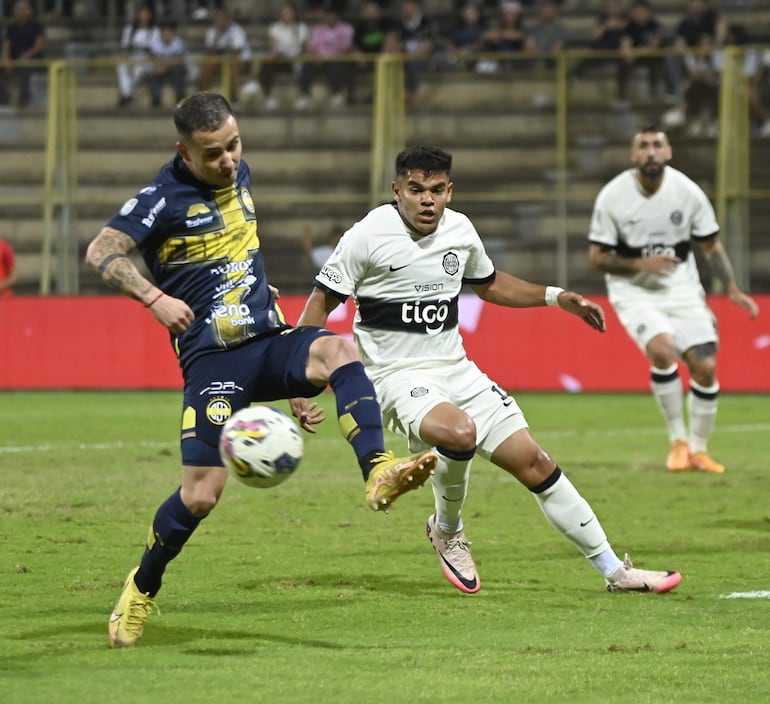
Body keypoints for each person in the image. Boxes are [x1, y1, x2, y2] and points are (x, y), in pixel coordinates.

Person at [86, 93, 438, 649]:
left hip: (267, 339)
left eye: (234, 145)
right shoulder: (162, 198)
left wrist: (265, 313)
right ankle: (142, 586)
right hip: (214, 362)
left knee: (338, 352)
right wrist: (154, 298)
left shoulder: (239, 173)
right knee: (201, 495)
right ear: (184, 151)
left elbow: (240, 250)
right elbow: (101, 251)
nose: (228, 161)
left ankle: (378, 469)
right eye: (213, 154)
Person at [294, 145, 683, 596]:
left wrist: (558, 298)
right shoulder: (366, 235)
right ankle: (448, 530)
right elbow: (320, 302)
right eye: (416, 190)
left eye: (437, 190)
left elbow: (491, 284)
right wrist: (298, 374)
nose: (427, 200)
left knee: (535, 463)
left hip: (458, 369)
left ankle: (617, 572)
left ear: (450, 192)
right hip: (397, 375)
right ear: (396, 190)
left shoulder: (460, 231)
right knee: (459, 433)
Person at [587, 125, 759, 474]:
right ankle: (677, 442)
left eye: (657, 146)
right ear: (634, 155)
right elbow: (597, 258)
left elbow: (711, 245)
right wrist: (639, 264)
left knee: (706, 368)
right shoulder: (613, 196)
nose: (651, 152)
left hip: (681, 289)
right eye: (644, 146)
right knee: (662, 349)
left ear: (668, 153)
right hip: (634, 291)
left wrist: (733, 287)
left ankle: (699, 450)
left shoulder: (688, 193)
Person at [295, 8, 354, 110]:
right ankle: (305, 95)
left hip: (338, 59)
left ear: (337, 17)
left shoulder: (346, 28)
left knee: (336, 64)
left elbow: (347, 47)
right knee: (307, 64)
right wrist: (312, 53)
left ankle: (337, 93)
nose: (330, 19)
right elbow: (313, 47)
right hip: (320, 59)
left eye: (333, 16)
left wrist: (333, 56)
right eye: (328, 17)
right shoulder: (319, 29)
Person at [257, 1, 310, 111]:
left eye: (290, 13)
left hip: (296, 59)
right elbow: (273, 46)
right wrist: (272, 54)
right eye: (285, 13)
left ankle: (303, 96)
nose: (288, 15)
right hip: (280, 59)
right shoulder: (275, 28)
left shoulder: (301, 28)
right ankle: (268, 97)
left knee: (307, 64)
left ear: (294, 14)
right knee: (266, 64)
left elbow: (304, 48)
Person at [199, 5, 251, 104]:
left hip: (239, 61)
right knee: (207, 64)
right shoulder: (212, 31)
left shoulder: (236, 30)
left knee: (233, 64)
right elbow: (209, 52)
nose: (221, 20)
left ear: (227, 19)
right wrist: (217, 35)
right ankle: (202, 97)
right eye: (218, 18)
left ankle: (234, 98)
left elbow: (237, 51)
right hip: (220, 61)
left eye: (223, 18)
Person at [0, 0, 45, 108]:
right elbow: (7, 45)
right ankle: (3, 98)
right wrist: (6, 58)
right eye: (18, 9)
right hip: (16, 59)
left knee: (26, 68)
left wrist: (27, 54)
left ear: (29, 11)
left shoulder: (36, 25)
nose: (20, 12)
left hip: (32, 58)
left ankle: (23, 100)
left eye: (23, 9)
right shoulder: (12, 27)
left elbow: (38, 45)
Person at [115, 2, 159, 108]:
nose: (144, 16)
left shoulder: (154, 31)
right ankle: (127, 95)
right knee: (121, 66)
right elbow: (125, 48)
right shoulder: (129, 29)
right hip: (132, 57)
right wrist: (126, 58)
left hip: (146, 59)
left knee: (138, 70)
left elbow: (154, 51)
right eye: (142, 13)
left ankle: (126, 97)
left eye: (146, 13)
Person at [147, 18, 188, 108]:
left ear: (173, 33)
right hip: (160, 67)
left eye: (169, 31)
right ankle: (156, 99)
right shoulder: (155, 42)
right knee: (153, 74)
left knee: (178, 71)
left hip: (174, 68)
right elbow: (152, 57)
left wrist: (165, 68)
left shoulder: (178, 42)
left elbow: (178, 59)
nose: (167, 34)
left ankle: (180, 98)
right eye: (165, 31)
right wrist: (158, 66)